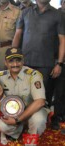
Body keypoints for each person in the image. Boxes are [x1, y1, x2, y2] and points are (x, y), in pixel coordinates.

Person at [12, 0, 65, 108]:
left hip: (45, 65)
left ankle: (39, 123)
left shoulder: (58, 14)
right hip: (24, 62)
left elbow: (62, 40)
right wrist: (13, 57)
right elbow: (17, 34)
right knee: (22, 94)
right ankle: (22, 122)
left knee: (41, 98)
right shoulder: (25, 12)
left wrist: (59, 64)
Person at [0, 48, 47, 140]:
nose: (15, 64)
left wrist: (18, 119)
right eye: (11, 61)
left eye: (18, 60)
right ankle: (17, 133)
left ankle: (31, 138)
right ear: (5, 63)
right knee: (1, 125)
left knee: (38, 120)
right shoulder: (1, 77)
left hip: (33, 111)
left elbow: (40, 102)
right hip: (13, 112)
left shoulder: (33, 75)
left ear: (23, 61)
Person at [50, 0, 65, 130]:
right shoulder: (55, 15)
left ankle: (59, 117)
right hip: (53, 60)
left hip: (61, 61)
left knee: (61, 93)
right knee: (53, 92)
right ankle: (53, 118)